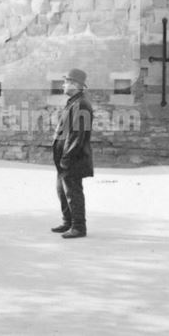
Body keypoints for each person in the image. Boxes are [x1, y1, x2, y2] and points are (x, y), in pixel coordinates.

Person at [51, 68, 94, 239]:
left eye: (66, 81)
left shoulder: (81, 104)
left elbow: (78, 135)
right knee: (62, 190)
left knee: (73, 191)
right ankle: (68, 222)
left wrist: (67, 157)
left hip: (73, 158)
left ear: (76, 85)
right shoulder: (73, 102)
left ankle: (78, 227)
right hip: (65, 157)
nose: (63, 84)